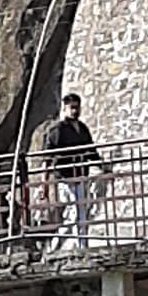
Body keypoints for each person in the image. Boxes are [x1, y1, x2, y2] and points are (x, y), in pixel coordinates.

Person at [40, 94, 101, 248]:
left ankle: (80, 245)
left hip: (80, 176)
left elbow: (91, 151)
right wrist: (44, 184)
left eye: (77, 107)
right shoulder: (58, 131)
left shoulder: (82, 129)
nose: (75, 111)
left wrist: (102, 166)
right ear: (65, 108)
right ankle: (58, 245)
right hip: (65, 178)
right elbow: (47, 158)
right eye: (72, 107)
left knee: (80, 213)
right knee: (74, 214)